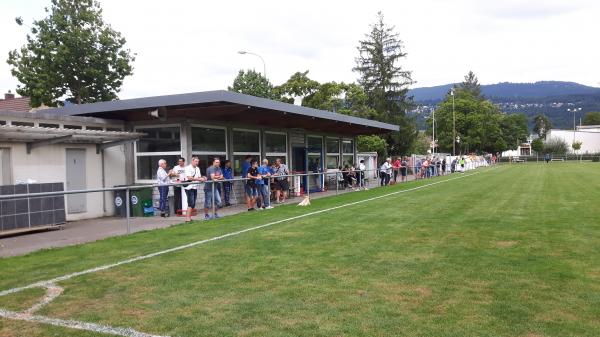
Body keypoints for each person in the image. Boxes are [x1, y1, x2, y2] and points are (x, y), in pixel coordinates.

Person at [184, 157, 205, 222]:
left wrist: (203, 178)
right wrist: (199, 179)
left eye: (197, 161)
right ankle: (187, 219)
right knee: (191, 203)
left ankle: (189, 218)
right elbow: (189, 178)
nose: (197, 163)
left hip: (195, 187)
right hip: (189, 187)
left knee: (193, 204)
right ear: (192, 161)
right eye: (196, 161)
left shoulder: (197, 168)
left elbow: (199, 177)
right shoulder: (187, 168)